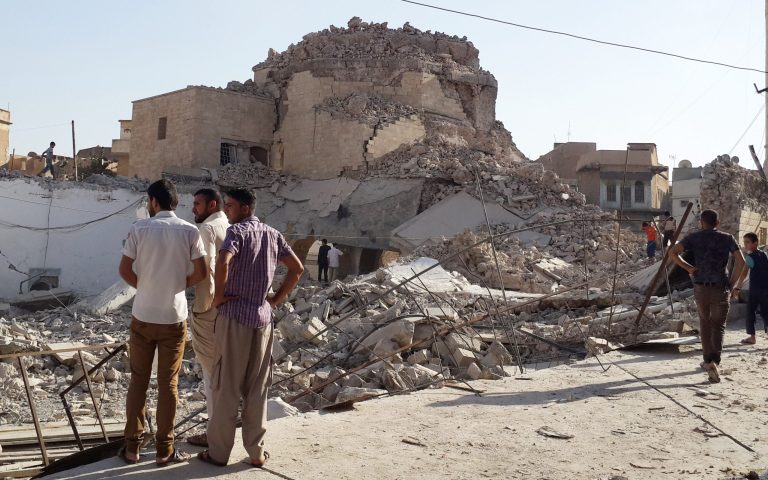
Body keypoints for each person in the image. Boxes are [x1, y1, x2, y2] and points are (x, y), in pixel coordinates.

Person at [198, 188, 304, 468]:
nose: (227, 211)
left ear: (245, 209)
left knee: (226, 386)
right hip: (262, 318)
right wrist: (276, 300)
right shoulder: (273, 234)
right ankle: (256, 452)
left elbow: (223, 260)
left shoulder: (237, 232)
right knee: (258, 388)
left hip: (233, 317)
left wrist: (218, 295)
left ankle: (218, 453)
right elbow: (297, 269)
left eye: (230, 206)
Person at [117, 179, 207, 465]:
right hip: (173, 316)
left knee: (138, 380)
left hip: (143, 315)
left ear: (153, 201)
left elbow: (124, 269)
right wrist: (178, 285)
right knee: (169, 382)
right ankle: (164, 450)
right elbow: (202, 272)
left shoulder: (139, 228)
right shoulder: (190, 230)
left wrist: (144, 287)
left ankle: (132, 447)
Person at [669, 209, 745, 383]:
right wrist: (731, 284)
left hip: (701, 287)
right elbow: (741, 262)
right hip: (720, 287)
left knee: (705, 322)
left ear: (702, 222)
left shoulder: (694, 238)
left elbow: (672, 252)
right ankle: (715, 361)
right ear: (717, 223)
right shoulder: (728, 238)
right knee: (718, 325)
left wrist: (688, 267)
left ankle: (706, 360)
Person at [187, 188, 229, 447]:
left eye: (197, 204)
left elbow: (206, 272)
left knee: (211, 373)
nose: (194, 209)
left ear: (211, 204)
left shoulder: (207, 229)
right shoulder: (229, 225)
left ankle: (215, 433)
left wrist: (203, 307)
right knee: (225, 371)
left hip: (211, 309)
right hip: (229, 309)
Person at [733, 233, 768, 345]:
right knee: (766, 313)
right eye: (745, 242)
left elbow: (743, 274)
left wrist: (737, 288)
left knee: (750, 312)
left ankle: (752, 337)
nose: (745, 244)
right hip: (765, 289)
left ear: (755, 243)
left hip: (755, 290)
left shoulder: (750, 257)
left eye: (747, 242)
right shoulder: (764, 255)